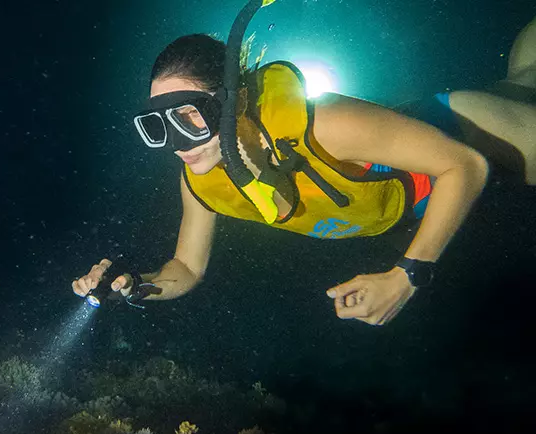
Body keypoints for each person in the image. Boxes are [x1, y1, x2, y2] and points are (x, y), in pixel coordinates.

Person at [72, 16, 536, 326]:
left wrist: (405, 278)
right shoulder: (201, 179)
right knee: (524, 79)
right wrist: (135, 287)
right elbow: (188, 268)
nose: (177, 145)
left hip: (472, 131)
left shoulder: (327, 124)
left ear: (237, 99)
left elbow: (465, 165)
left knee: (523, 90)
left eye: (190, 116)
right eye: (159, 126)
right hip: (408, 203)